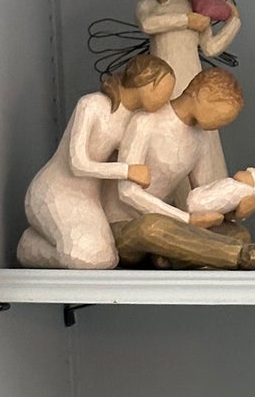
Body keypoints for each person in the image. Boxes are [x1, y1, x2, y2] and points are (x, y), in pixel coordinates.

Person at [16, 54, 175, 269]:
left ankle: (41, 247)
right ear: (146, 83)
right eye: (163, 92)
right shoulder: (92, 105)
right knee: (89, 259)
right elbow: (77, 163)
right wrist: (126, 171)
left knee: (107, 258)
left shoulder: (135, 120)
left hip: (89, 198)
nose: (166, 101)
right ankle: (30, 250)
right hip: (56, 190)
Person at [104, 69, 255, 270]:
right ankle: (236, 256)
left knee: (238, 234)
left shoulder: (201, 137)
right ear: (203, 94)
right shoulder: (145, 122)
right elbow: (127, 192)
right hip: (125, 225)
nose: (221, 124)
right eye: (222, 116)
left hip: (172, 224)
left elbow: (206, 196)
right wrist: (186, 219)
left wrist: (236, 210)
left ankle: (170, 257)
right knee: (151, 228)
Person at [137, 0, 241, 180]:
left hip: (193, 81)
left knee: (200, 135)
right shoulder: (149, 5)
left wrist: (234, 22)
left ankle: (208, 193)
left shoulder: (197, 9)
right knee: (162, 136)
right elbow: (148, 24)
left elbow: (211, 48)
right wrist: (185, 21)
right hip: (162, 83)